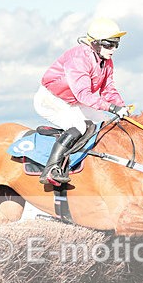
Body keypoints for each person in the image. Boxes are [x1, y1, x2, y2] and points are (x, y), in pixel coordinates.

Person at [34, 17, 130, 186]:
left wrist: (121, 107)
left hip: (73, 101)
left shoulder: (106, 61)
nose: (113, 49)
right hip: (51, 99)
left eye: (116, 44)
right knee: (79, 126)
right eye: (109, 44)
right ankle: (51, 169)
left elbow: (108, 89)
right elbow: (83, 95)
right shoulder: (79, 57)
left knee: (105, 125)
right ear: (95, 43)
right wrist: (112, 107)